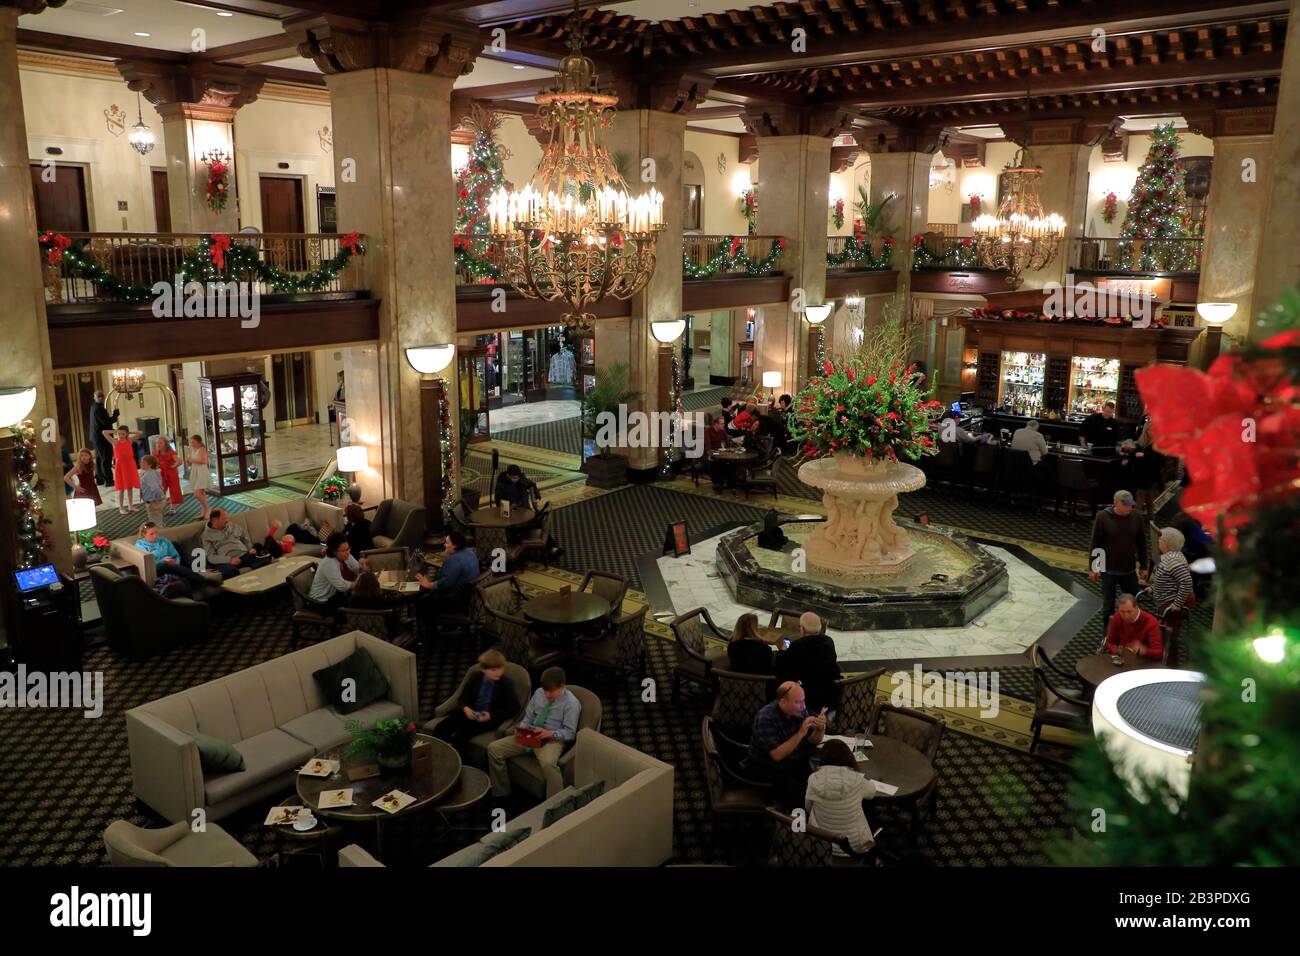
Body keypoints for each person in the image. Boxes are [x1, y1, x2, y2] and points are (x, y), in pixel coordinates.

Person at [487, 666, 581, 799]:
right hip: (530, 734)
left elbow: (570, 733)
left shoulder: (572, 704)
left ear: (562, 686)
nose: (547, 695)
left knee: (549, 764)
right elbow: (528, 717)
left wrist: (549, 733)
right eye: (545, 691)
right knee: (493, 749)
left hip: (551, 740)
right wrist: (523, 727)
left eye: (551, 692)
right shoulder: (538, 693)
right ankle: (502, 793)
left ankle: (555, 804)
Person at [747, 680, 827, 810]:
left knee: (822, 789)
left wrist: (820, 728)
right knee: (805, 799)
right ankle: (801, 827)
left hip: (794, 763)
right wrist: (801, 733)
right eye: (798, 702)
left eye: (803, 701)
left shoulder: (800, 711)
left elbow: (813, 741)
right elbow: (777, 755)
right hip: (769, 770)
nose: (803, 707)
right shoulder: (765, 717)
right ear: (783, 702)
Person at [433, 649, 521, 756]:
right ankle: (436, 755)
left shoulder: (506, 684)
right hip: (470, 712)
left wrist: (491, 716)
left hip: (488, 719)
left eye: (500, 668)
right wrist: (466, 708)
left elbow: (514, 707)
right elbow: (462, 697)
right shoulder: (475, 677)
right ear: (484, 670)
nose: (498, 672)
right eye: (493, 670)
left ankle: (459, 764)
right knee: (441, 727)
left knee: (461, 737)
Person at [805, 739, 876, 856]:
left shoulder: (813, 779)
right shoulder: (857, 780)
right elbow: (872, 792)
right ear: (849, 757)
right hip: (854, 846)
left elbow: (808, 807)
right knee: (867, 810)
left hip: (822, 844)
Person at [1089, 490, 1149, 624]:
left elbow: (1141, 543)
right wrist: (1094, 567)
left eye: (1131, 504)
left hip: (1128, 568)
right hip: (1108, 568)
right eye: (1126, 504)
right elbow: (1096, 543)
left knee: (1135, 602)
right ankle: (1107, 636)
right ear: (1115, 503)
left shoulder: (1137, 517)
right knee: (1108, 606)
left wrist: (1144, 566)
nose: (1130, 507)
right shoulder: (1103, 517)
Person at [773, 611, 842, 712]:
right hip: (826, 697)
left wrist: (782, 652)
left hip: (804, 698)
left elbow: (782, 668)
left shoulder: (798, 646)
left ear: (802, 629)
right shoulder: (829, 643)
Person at [134, 521, 215, 595]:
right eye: (151, 534)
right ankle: (204, 581)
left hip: (173, 567)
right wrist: (162, 561)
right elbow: (147, 566)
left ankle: (195, 590)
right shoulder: (140, 547)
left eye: (156, 532)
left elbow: (175, 555)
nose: (155, 536)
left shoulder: (164, 541)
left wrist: (175, 561)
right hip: (157, 570)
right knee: (175, 569)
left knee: (184, 580)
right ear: (143, 534)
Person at [415, 530, 480, 615]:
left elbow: (445, 583)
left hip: (454, 601)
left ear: (455, 545)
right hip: (469, 598)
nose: (444, 545)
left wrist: (429, 585)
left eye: (447, 543)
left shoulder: (453, 560)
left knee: (421, 601)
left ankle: (431, 626)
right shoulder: (471, 553)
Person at [202, 508, 272, 580]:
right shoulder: (206, 536)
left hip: (243, 554)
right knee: (230, 572)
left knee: (265, 562)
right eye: (224, 519)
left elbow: (244, 536)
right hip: (226, 561)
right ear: (215, 520)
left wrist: (250, 548)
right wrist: (229, 560)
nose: (227, 520)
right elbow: (211, 557)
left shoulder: (231, 525)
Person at [308, 533, 362, 612]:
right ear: (334, 551)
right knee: (357, 604)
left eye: (348, 548)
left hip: (336, 595)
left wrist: (362, 567)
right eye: (343, 550)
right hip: (321, 601)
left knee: (362, 600)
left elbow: (357, 568)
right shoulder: (329, 563)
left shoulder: (346, 555)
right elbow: (342, 586)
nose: (347, 552)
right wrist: (362, 583)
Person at [1105, 593, 1164, 661]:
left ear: (1136, 608)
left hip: (1142, 661)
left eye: (1129, 612)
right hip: (1122, 658)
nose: (1126, 616)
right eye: (1122, 612)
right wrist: (1116, 650)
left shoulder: (1150, 622)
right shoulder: (1117, 617)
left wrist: (1144, 650)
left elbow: (1159, 653)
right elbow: (1109, 642)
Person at [1150, 526, 1194, 613]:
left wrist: (1177, 604)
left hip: (1172, 603)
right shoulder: (1166, 556)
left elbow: (1186, 581)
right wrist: (1153, 587)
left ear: (1166, 543)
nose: (1158, 541)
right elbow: (1165, 577)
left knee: (1170, 626)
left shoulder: (1173, 559)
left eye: (1160, 539)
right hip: (1166, 602)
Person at [103, 424, 140, 516]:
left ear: (126, 434)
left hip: (130, 465)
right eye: (119, 434)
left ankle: (130, 506)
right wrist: (115, 431)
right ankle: (121, 507)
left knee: (130, 487)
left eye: (123, 434)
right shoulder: (115, 442)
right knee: (121, 488)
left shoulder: (129, 441)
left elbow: (139, 433)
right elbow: (104, 432)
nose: (120, 435)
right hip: (121, 466)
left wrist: (128, 432)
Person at [87, 390, 118, 486]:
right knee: (106, 458)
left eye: (102, 396)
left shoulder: (94, 407)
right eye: (99, 396)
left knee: (100, 458)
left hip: (97, 437)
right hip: (102, 438)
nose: (101, 398)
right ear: (95, 397)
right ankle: (108, 480)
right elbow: (105, 422)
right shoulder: (99, 409)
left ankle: (99, 478)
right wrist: (115, 416)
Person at [153, 436, 183, 515]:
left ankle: (172, 508)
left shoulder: (170, 452)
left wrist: (173, 466)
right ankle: (160, 507)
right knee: (161, 490)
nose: (158, 445)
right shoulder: (154, 453)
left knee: (173, 490)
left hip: (171, 473)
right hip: (161, 474)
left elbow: (179, 461)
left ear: (165, 444)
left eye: (160, 443)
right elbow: (152, 463)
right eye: (157, 443)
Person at [184, 434, 212, 521]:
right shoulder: (193, 450)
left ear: (198, 442)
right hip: (196, 471)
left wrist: (192, 460)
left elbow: (204, 461)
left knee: (197, 494)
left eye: (193, 442)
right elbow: (194, 462)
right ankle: (204, 510)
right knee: (201, 493)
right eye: (190, 442)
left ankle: (208, 509)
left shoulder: (202, 449)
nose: (191, 444)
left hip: (201, 472)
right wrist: (189, 461)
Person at [138, 455, 166, 525]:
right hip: (155, 501)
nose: (141, 463)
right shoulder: (152, 472)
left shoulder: (148, 475)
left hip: (154, 502)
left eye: (143, 462)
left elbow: (155, 488)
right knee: (159, 520)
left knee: (156, 523)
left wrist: (158, 499)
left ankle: (160, 534)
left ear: (150, 465)